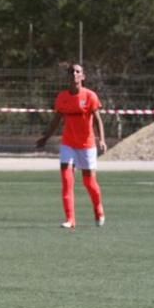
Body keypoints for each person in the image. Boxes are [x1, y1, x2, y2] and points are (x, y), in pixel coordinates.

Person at [36, 64, 107, 228]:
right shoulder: (62, 97)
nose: (74, 74)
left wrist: (101, 139)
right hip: (68, 144)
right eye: (71, 72)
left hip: (87, 145)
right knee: (67, 181)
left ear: (83, 76)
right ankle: (70, 219)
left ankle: (98, 209)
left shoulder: (90, 96)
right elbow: (56, 120)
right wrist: (46, 137)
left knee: (89, 183)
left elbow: (97, 120)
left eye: (77, 71)